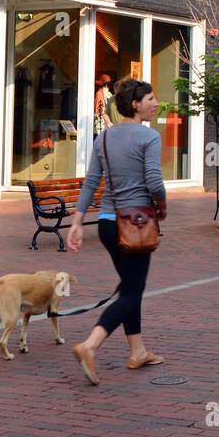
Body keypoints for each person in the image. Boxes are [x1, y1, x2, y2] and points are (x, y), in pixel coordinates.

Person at [69, 79, 168, 385]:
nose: (156, 103)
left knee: (130, 287)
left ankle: (138, 351)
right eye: (150, 98)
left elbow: (91, 181)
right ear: (135, 105)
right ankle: (91, 345)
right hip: (135, 224)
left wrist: (76, 221)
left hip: (108, 225)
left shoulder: (105, 137)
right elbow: (153, 180)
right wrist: (162, 205)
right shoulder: (148, 137)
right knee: (131, 292)